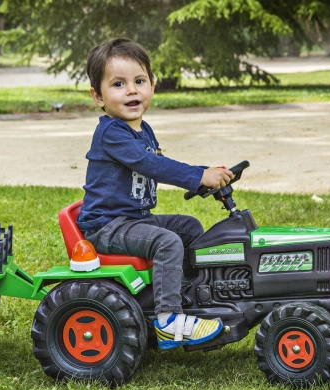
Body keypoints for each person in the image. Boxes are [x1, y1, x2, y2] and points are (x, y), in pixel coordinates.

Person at [76, 38, 234, 350]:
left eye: (139, 81)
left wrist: (205, 175)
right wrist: (197, 176)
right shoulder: (111, 133)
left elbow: (158, 163)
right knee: (167, 241)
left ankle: (187, 294)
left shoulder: (142, 129)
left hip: (134, 218)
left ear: (152, 85)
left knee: (188, 227)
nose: (131, 91)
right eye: (118, 84)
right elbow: (150, 164)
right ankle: (169, 320)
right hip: (107, 226)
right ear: (98, 96)